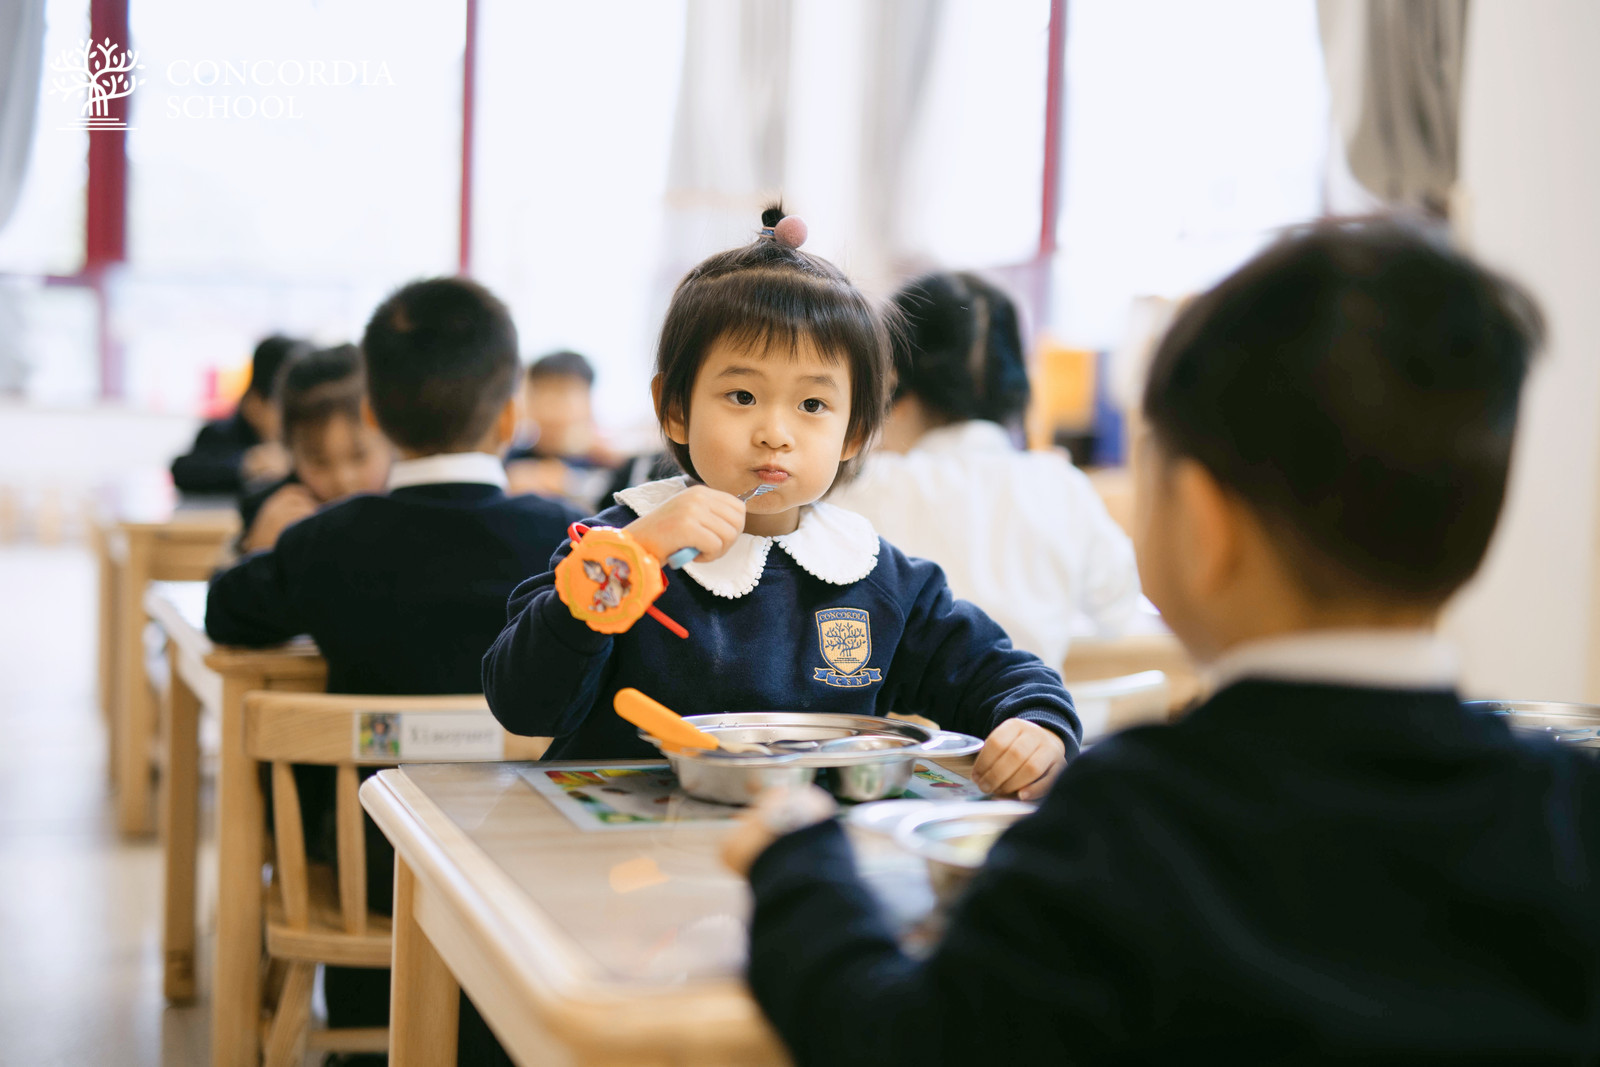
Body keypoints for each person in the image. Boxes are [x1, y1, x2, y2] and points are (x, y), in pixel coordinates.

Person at [722, 221, 1599, 1063]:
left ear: (1207, 526)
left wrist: (798, 861)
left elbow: (902, 1042)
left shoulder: (1128, 822)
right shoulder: (1571, 814)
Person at [483, 206, 1079, 801]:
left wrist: (1035, 724)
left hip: (808, 861)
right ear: (675, 408)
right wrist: (630, 559)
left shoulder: (875, 575)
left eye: (813, 406)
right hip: (623, 857)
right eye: (742, 395)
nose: (775, 432)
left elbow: (1001, 674)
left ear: (855, 431)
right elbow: (525, 706)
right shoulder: (608, 548)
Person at [205, 278, 582, 1061]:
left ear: (372, 414)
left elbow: (227, 613)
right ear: (510, 416)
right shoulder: (565, 542)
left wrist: (259, 538)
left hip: (368, 873)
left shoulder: (326, 541)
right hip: (529, 872)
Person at [829, 272, 1142, 666]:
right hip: (1030, 719)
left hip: (900, 726)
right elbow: (1119, 611)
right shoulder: (1060, 485)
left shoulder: (863, 486)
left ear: (891, 383)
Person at [236, 343, 391, 553]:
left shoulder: (412, 507)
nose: (343, 479)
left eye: (359, 456)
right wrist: (257, 552)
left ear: (392, 438)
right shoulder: (273, 516)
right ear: (291, 453)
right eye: (320, 462)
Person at [170, 333, 306, 495]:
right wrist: (249, 463)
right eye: (287, 408)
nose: (298, 418)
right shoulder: (220, 434)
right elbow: (184, 470)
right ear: (255, 403)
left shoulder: (311, 440)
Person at [505, 349, 619, 508]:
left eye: (562, 393)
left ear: (587, 402)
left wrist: (571, 484)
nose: (549, 407)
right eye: (540, 392)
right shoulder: (509, 461)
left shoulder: (607, 464)